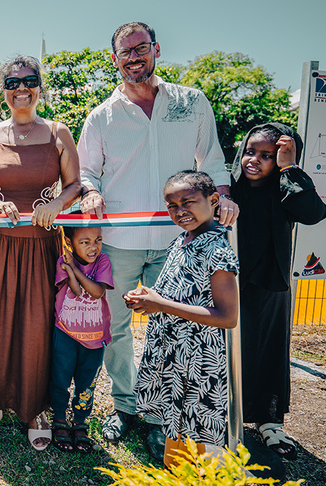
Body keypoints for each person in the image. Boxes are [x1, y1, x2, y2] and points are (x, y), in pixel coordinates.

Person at [77, 21, 238, 457]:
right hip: (119, 242)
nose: (134, 57)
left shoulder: (192, 102)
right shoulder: (102, 116)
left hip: (178, 244)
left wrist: (223, 197)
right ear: (114, 59)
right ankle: (125, 405)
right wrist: (90, 191)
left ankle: (161, 417)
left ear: (156, 49)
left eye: (140, 48)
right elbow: (87, 171)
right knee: (115, 329)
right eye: (125, 52)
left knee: (172, 327)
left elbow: (213, 162)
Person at [0, 55, 81, 451]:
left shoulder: (58, 132)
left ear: (39, 87)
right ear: (3, 90)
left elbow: (75, 185)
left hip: (41, 247)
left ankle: (36, 407)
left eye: (29, 81)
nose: (21, 88)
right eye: (13, 82)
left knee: (36, 325)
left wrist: (58, 204)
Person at [126, 171, 239, 466]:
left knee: (194, 432)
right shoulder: (181, 241)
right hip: (173, 353)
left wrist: (161, 304)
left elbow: (227, 317)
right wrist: (147, 297)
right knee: (173, 426)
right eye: (172, 206)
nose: (180, 211)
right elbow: (177, 292)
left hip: (197, 359)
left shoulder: (218, 250)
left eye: (188, 202)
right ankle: (173, 471)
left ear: (213, 201)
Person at [230, 123, 326, 459]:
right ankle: (222, 416)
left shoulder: (286, 188)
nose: (254, 160)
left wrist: (289, 168)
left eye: (267, 155)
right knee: (225, 351)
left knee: (268, 352)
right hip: (227, 281)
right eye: (250, 151)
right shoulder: (228, 187)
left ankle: (269, 422)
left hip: (270, 283)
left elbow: (314, 213)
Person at [49, 218, 113, 453]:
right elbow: (75, 291)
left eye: (98, 240)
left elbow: (97, 292)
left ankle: (80, 423)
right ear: (69, 242)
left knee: (87, 384)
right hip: (66, 333)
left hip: (95, 339)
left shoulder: (103, 261)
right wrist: (70, 268)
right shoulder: (62, 261)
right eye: (85, 242)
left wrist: (74, 270)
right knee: (60, 379)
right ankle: (59, 419)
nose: (93, 247)